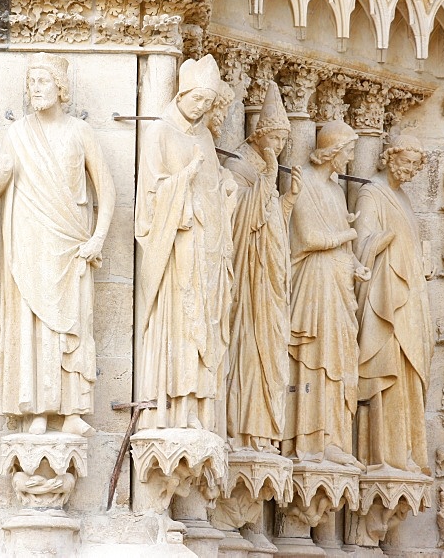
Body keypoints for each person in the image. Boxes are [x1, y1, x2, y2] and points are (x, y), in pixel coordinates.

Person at [0, 53, 115, 437]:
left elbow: (106, 188)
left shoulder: (80, 132)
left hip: (71, 241)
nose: (35, 89)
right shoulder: (17, 134)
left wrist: (98, 237)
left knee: (75, 323)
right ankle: (37, 408)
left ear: (60, 88)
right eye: (31, 82)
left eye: (42, 81)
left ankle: (74, 407)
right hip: (29, 242)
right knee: (33, 324)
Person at [135, 54, 235, 432]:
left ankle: (195, 407)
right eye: (198, 100)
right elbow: (151, 194)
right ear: (182, 92)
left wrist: (222, 185)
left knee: (203, 329)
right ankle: (170, 408)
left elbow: (210, 182)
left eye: (209, 103)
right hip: (178, 248)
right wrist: (183, 182)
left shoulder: (205, 136)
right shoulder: (160, 131)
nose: (203, 108)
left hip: (206, 249)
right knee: (180, 326)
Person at [284, 120, 366, 468]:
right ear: (332, 151)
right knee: (317, 359)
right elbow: (309, 237)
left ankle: (334, 439)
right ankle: (310, 440)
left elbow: (334, 239)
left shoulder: (334, 190)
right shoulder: (303, 183)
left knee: (340, 359)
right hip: (314, 285)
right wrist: (348, 235)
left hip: (338, 283)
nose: (350, 159)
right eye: (348, 151)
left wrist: (354, 263)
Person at [224, 83, 300, 450]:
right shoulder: (239, 164)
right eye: (276, 138)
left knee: (269, 346)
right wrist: (266, 181)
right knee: (249, 348)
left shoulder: (266, 168)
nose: (280, 147)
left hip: (267, 277)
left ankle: (265, 430)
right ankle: (243, 428)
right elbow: (236, 219)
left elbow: (270, 222)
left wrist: (287, 199)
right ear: (259, 134)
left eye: (285, 141)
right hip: (247, 275)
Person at [355, 134, 432, 474]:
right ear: (390, 157)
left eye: (416, 165)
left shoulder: (402, 199)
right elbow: (361, 244)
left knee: (408, 371)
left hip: (410, 297)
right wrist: (383, 242)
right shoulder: (371, 193)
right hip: (384, 298)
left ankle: (406, 452)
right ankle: (384, 455)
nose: (411, 170)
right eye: (407, 162)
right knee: (389, 367)